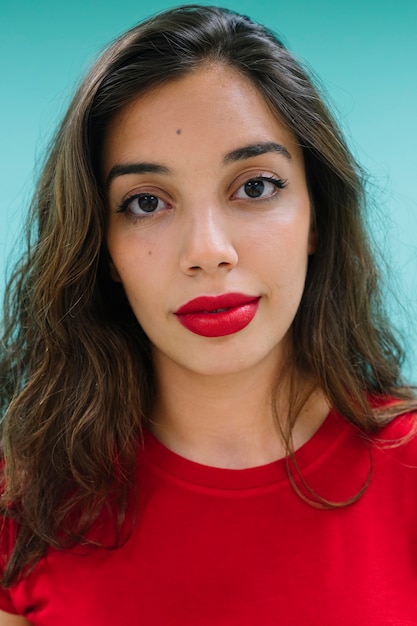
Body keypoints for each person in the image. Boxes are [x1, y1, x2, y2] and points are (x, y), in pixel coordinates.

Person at [0, 4, 416, 624]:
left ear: (316, 216)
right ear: (102, 247)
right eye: (146, 202)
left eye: (255, 187)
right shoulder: (24, 506)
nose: (207, 253)